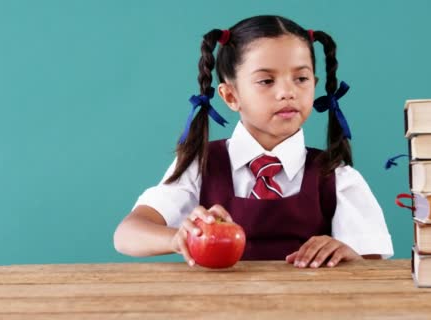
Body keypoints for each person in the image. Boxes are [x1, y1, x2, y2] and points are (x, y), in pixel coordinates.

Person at [114, 15, 393, 268]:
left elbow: (373, 270)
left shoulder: (337, 177)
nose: (287, 92)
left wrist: (348, 255)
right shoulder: (202, 165)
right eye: (266, 81)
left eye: (301, 78)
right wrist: (179, 237)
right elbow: (127, 234)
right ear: (231, 96)